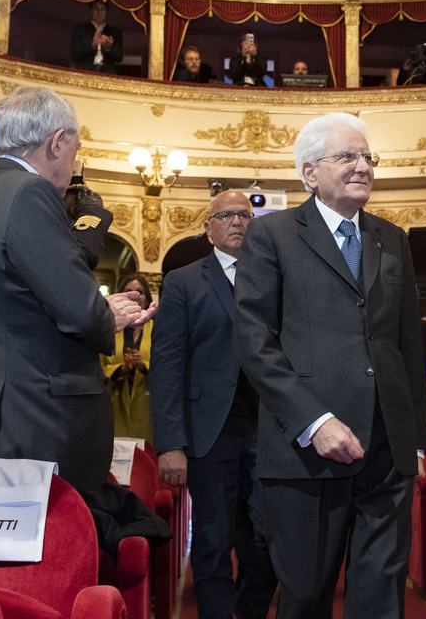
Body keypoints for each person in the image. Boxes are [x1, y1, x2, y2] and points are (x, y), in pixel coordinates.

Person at [234, 113, 426, 619]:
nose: (363, 166)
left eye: (368, 157)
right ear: (309, 172)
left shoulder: (393, 239)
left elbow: (408, 344)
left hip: (387, 452)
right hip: (307, 453)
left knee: (382, 596)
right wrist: (313, 421)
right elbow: (255, 341)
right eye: (347, 157)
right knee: (305, 596)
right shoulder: (272, 234)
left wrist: (415, 438)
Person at [0, 86, 156, 494]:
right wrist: (106, 312)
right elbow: (81, 313)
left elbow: (10, 304)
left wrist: (93, 306)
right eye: (75, 150)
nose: (74, 165)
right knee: (44, 556)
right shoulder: (29, 192)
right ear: (56, 143)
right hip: (32, 426)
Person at [151, 189, 277, 619]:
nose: (238, 222)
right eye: (226, 215)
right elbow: (167, 365)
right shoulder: (184, 281)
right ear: (208, 229)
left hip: (268, 427)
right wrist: (170, 443)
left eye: (245, 215)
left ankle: (251, 610)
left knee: (267, 537)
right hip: (209, 432)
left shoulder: (273, 276)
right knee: (212, 539)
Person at [101, 273, 154, 443]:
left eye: (140, 292)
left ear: (147, 297)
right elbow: (98, 366)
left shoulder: (158, 329)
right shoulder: (109, 329)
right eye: (128, 291)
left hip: (147, 407)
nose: (136, 297)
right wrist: (120, 368)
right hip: (114, 405)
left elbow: (169, 366)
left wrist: (143, 365)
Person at [70, 0, 123, 73]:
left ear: (107, 12)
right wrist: (92, 45)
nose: (99, 12)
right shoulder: (81, 30)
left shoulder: (114, 32)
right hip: (85, 72)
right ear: (90, 10)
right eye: (96, 8)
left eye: (102, 9)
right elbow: (74, 54)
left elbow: (119, 58)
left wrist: (108, 48)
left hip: (107, 74)